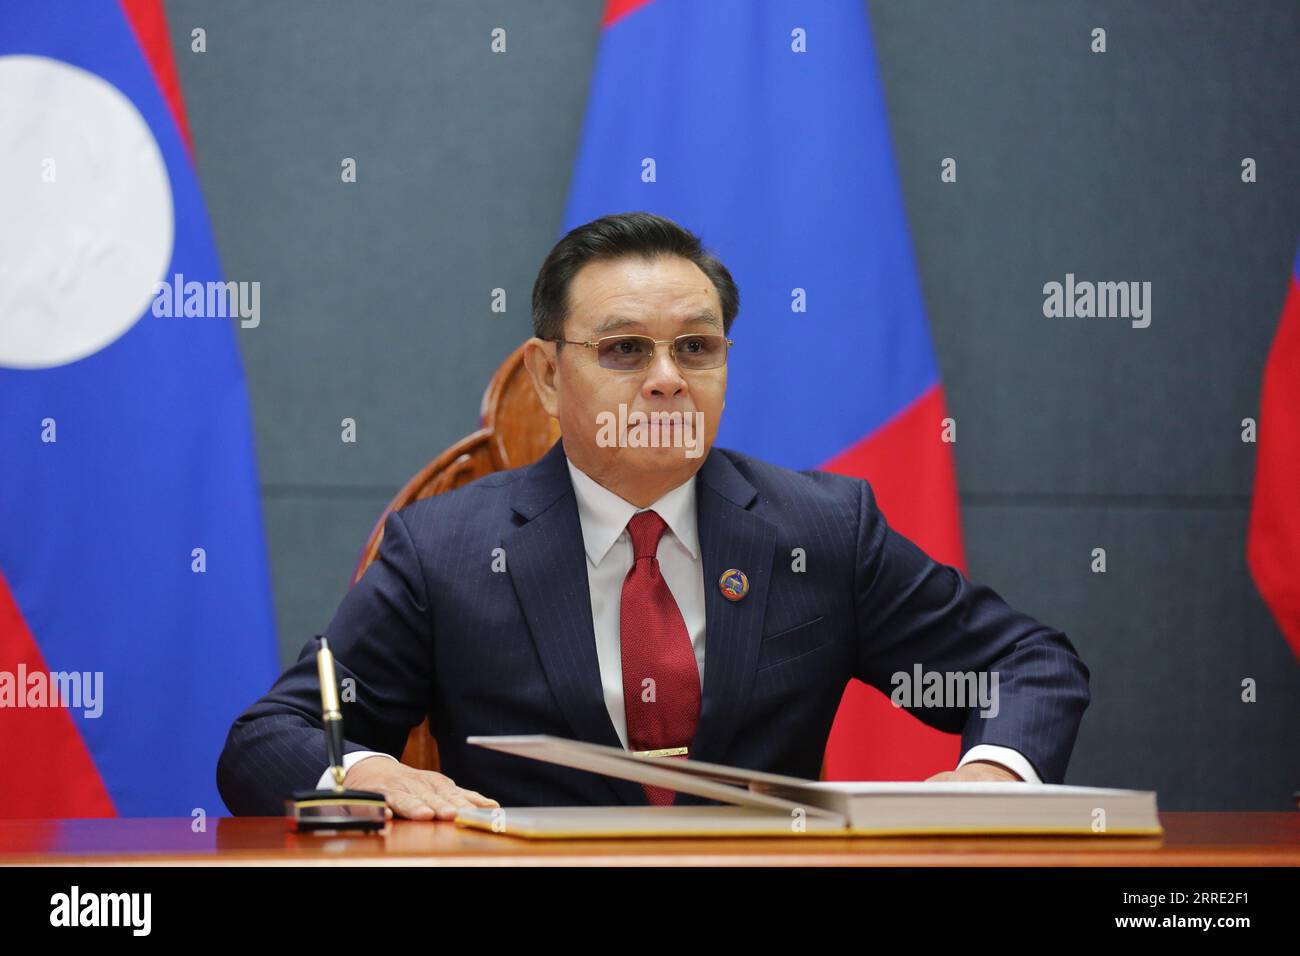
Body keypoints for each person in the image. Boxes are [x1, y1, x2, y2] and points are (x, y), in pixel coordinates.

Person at [217, 211, 1090, 819]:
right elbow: (268, 741)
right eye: (625, 348)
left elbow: (1026, 663)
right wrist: (366, 769)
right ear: (550, 376)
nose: (668, 377)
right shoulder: (447, 549)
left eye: (697, 348)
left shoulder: (819, 532)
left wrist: (994, 772)